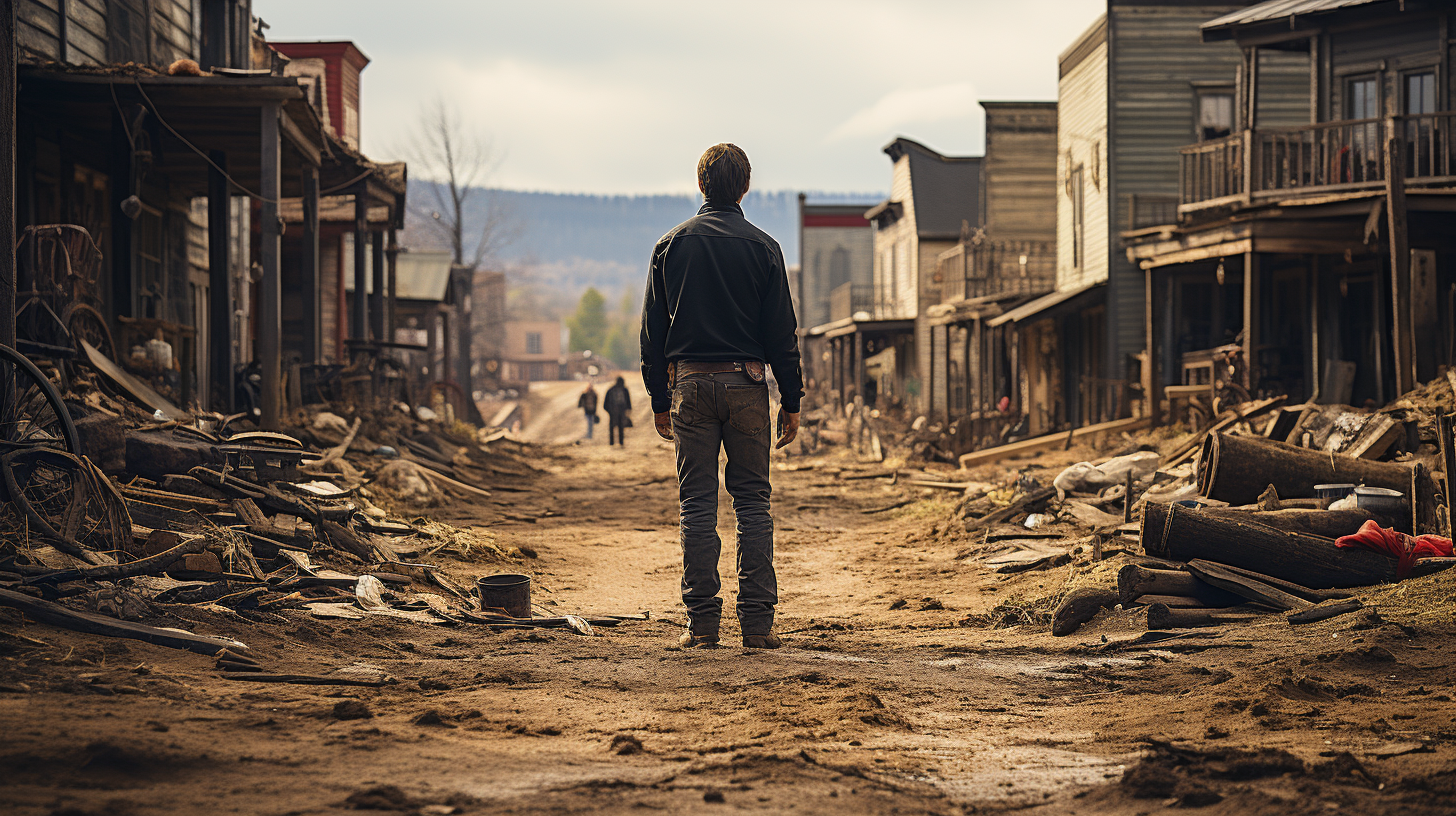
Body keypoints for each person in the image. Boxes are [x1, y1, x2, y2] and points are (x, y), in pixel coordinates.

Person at [640, 143, 802, 651]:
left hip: (689, 385)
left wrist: (658, 398)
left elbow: (651, 334)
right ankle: (757, 626)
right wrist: (790, 400)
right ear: (746, 187)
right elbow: (783, 333)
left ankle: (702, 625)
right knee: (753, 503)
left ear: (700, 184)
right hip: (748, 386)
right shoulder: (765, 248)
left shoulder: (670, 246)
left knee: (696, 504)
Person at [604, 376, 632, 446]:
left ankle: (612, 442)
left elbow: (605, 403)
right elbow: (628, 401)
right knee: (620, 427)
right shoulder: (624, 389)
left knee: (613, 427)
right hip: (617, 411)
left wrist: (609, 411)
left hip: (614, 411)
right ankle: (620, 442)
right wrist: (628, 409)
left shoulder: (611, 390)